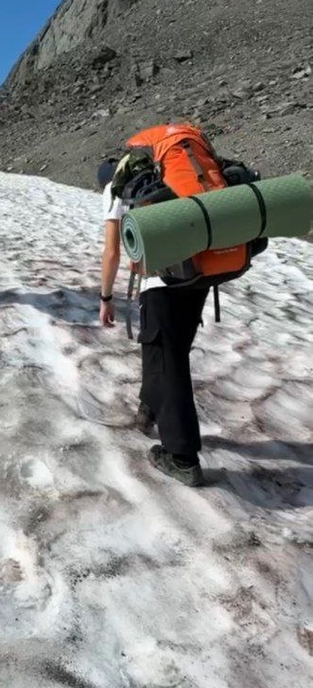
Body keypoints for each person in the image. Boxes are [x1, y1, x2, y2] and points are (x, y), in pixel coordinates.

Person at [98, 157, 207, 488]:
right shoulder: (170, 176)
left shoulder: (117, 190)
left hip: (162, 283)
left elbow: (113, 251)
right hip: (199, 276)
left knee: (168, 362)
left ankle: (182, 457)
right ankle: (149, 409)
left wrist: (105, 298)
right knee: (168, 354)